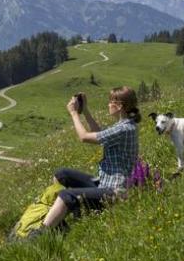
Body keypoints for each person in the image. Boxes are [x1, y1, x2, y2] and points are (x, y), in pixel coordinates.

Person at [37, 86, 141, 233]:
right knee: (62, 174)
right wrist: (85, 110)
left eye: (111, 101)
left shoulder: (124, 129)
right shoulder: (124, 125)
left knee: (65, 195)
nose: (108, 104)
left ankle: (41, 234)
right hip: (104, 183)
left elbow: (84, 137)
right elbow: (99, 133)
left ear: (120, 106)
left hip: (115, 190)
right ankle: (61, 217)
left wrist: (74, 113)